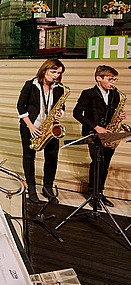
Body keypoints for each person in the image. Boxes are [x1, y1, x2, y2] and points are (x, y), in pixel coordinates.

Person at [73, 65, 127, 209]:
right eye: (110, 79)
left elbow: (113, 113)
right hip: (94, 134)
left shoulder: (115, 95)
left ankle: (100, 193)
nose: (113, 83)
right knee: (97, 163)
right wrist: (96, 127)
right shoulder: (88, 93)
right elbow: (77, 113)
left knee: (105, 165)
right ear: (99, 78)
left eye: (115, 80)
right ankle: (93, 194)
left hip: (110, 134)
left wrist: (120, 116)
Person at [17, 58, 65, 203]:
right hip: (31, 126)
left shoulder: (59, 88)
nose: (56, 75)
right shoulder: (30, 85)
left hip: (50, 128)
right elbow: (20, 106)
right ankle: (31, 188)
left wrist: (59, 114)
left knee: (52, 157)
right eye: (53, 71)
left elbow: (62, 107)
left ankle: (47, 188)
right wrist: (31, 126)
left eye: (59, 73)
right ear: (45, 70)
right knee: (29, 157)